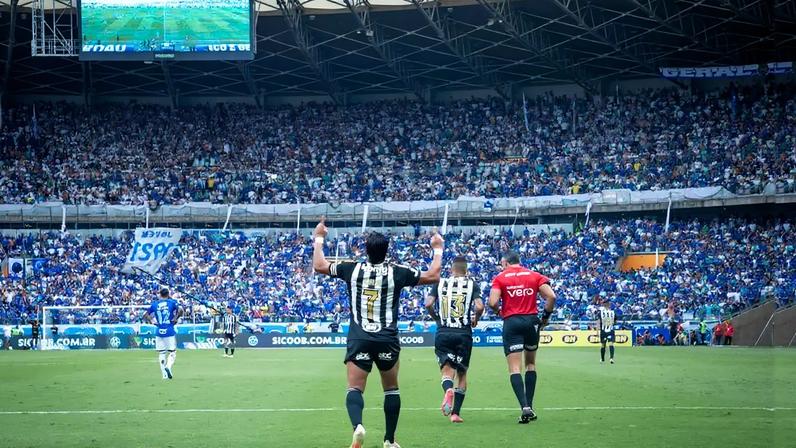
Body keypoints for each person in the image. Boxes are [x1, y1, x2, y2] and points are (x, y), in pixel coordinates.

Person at [312, 218, 443, 448]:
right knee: (391, 389)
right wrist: (438, 249)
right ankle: (390, 440)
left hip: (359, 336)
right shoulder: (398, 272)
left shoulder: (351, 268)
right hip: (387, 338)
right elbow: (433, 276)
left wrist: (319, 238)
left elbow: (319, 265)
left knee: (354, 388)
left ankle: (358, 427)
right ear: (387, 250)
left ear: (366, 250)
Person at [488, 251, 556, 424]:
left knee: (514, 368)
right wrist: (545, 318)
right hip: (532, 321)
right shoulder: (534, 275)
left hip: (512, 322)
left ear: (505, 262)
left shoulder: (500, 278)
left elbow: (492, 302)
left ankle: (524, 407)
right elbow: (551, 296)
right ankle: (530, 406)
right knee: (531, 364)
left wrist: (499, 312)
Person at [424, 255, 484, 424]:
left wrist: (437, 318)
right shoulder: (473, 284)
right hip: (463, 333)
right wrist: (476, 318)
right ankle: (455, 414)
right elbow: (479, 306)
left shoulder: (440, 283)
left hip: (443, 332)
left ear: (451, 269)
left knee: (446, 371)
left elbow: (428, 304)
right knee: (462, 373)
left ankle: (448, 389)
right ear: (466, 270)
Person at [144, 288, 182, 379]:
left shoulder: (155, 304)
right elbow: (180, 310)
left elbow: (145, 315)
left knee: (162, 353)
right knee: (172, 352)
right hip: (169, 329)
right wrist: (176, 318)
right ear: (168, 294)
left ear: (160, 294)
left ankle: (164, 375)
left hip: (159, 330)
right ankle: (168, 367)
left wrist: (153, 322)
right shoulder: (172, 302)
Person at [597, 299, 617, 364]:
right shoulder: (611, 312)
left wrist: (597, 330)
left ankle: (610, 358)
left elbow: (598, 322)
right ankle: (604, 359)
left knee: (608, 344)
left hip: (607, 330)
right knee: (604, 345)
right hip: (606, 330)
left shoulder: (611, 312)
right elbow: (615, 321)